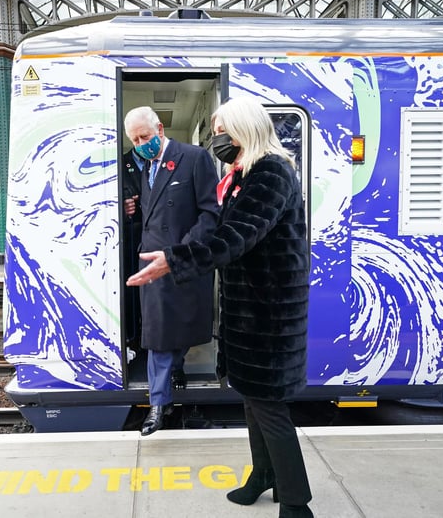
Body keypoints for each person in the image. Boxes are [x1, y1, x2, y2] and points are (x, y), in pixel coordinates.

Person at [127, 96, 313, 517]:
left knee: (270, 407)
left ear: (243, 128)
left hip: (269, 315)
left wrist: (173, 260)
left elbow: (236, 238)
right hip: (252, 310)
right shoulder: (245, 174)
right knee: (252, 399)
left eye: (221, 130)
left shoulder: (270, 173)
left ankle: (297, 503)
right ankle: (263, 476)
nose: (217, 139)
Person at [123, 106, 220, 436]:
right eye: (135, 140)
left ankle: (172, 378)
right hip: (152, 264)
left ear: (160, 128)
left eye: (145, 136)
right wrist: (132, 214)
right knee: (158, 336)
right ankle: (159, 403)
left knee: (174, 330)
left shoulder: (194, 158)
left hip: (182, 259)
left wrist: (180, 252)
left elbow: (210, 214)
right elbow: (152, 217)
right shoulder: (146, 166)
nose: (140, 144)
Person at [121, 149, 144, 356]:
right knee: (132, 293)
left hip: (161, 241)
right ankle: (133, 339)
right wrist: (122, 207)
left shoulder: (166, 161)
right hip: (129, 242)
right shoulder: (119, 164)